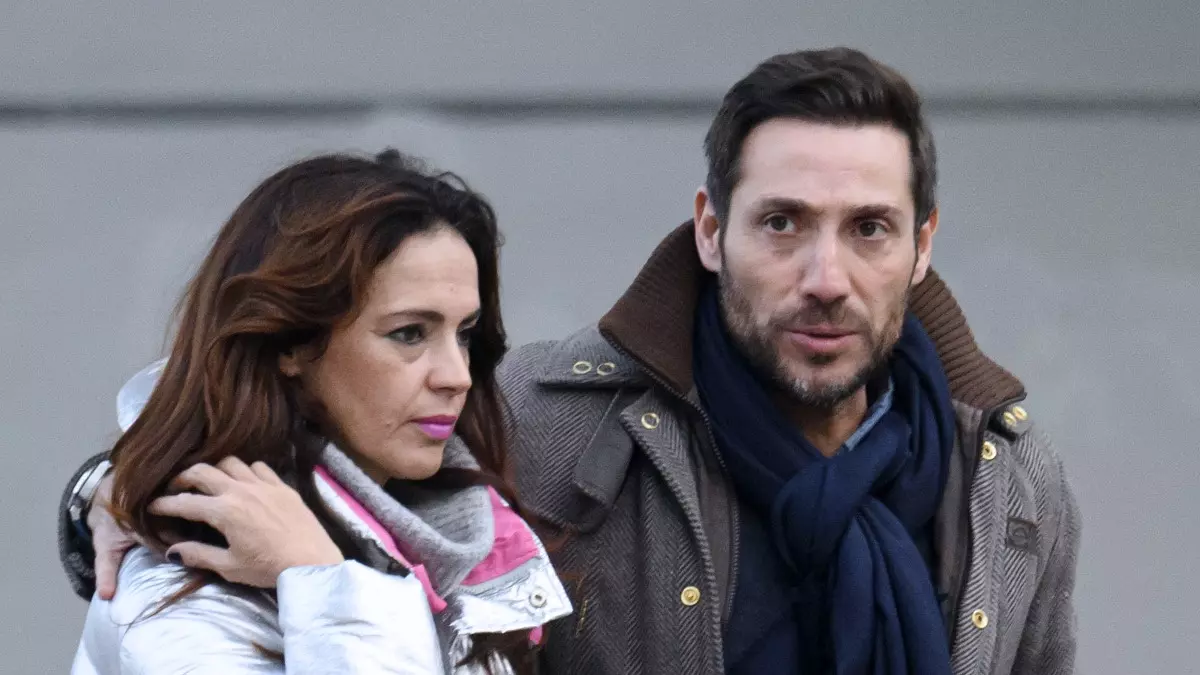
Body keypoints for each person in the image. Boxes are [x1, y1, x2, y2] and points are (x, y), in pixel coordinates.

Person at [59, 48, 1079, 675]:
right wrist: (124, 491)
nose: (825, 276)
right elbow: (300, 433)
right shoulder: (543, 417)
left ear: (923, 243)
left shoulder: (1009, 478)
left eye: (870, 228)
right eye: (782, 222)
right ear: (710, 228)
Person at [64, 149, 571, 674]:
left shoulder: (466, 536)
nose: (457, 375)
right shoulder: (185, 602)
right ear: (290, 343)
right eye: (409, 334)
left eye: (463, 333)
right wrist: (326, 583)